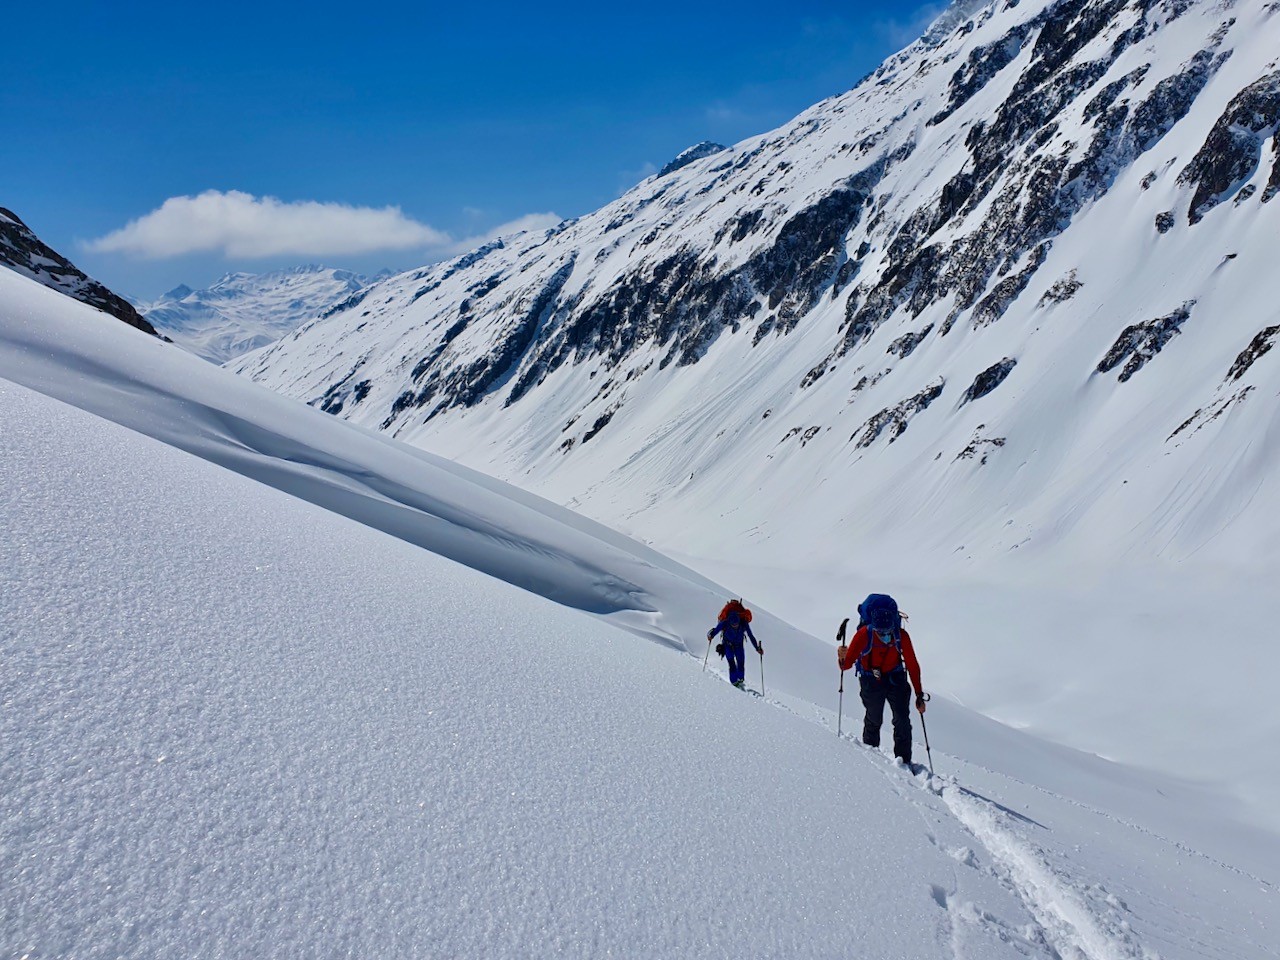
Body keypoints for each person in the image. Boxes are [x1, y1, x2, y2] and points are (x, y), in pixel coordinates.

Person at [837, 593, 926, 767]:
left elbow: (913, 665)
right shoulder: (864, 634)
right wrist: (842, 656)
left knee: (902, 720)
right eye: (881, 632)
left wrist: (919, 695)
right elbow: (846, 666)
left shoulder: (901, 636)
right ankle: (872, 762)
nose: (885, 635)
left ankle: (904, 762)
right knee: (874, 718)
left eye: (888, 632)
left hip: (895, 677)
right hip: (871, 678)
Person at [708, 599, 762, 690]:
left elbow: (750, 635)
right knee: (732, 664)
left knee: (740, 664)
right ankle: (734, 684)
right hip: (728, 645)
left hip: (738, 645)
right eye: (733, 625)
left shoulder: (743, 622)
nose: (735, 626)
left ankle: (740, 681)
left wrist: (757, 648)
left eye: (736, 625)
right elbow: (716, 630)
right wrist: (711, 635)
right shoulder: (725, 622)